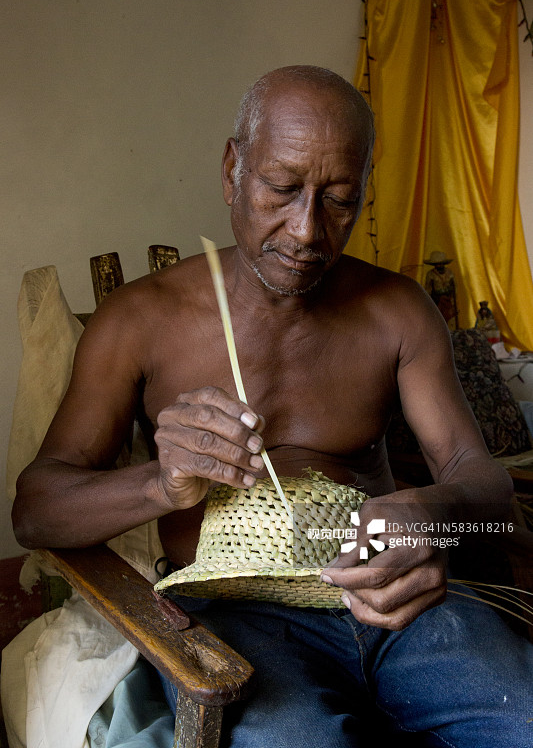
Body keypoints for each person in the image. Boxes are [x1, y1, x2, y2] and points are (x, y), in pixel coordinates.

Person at [12, 66, 533, 747]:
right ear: (233, 170)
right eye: (282, 189)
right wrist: (160, 485)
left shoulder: (397, 311)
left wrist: (434, 515)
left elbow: (487, 489)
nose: (307, 230)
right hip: (235, 611)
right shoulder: (139, 320)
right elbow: (34, 511)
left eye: (339, 200)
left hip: (396, 601)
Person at [424, 250, 458, 329]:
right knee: (438, 318)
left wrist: (453, 299)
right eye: (437, 264)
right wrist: (429, 301)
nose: (439, 265)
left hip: (448, 299)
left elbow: (454, 287)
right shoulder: (430, 274)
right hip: (437, 299)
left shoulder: (450, 273)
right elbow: (428, 288)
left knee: (450, 317)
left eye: (441, 263)